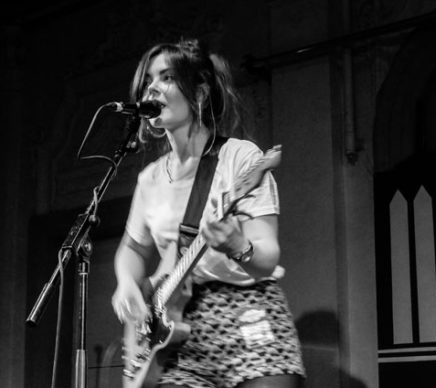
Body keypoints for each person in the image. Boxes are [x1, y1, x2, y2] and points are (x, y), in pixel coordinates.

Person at [111, 38, 305, 388]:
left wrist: (238, 246)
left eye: (167, 77)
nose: (152, 87)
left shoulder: (240, 158)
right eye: (148, 80)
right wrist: (127, 283)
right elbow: (134, 248)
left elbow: (266, 255)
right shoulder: (150, 178)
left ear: (199, 93)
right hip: (174, 326)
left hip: (247, 310)